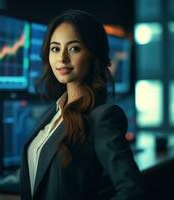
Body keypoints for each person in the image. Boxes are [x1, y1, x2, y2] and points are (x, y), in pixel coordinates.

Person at [20, 10, 147, 200]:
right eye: (55, 48)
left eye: (74, 48)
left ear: (93, 54)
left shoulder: (103, 117)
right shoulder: (53, 112)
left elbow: (132, 190)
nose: (62, 58)